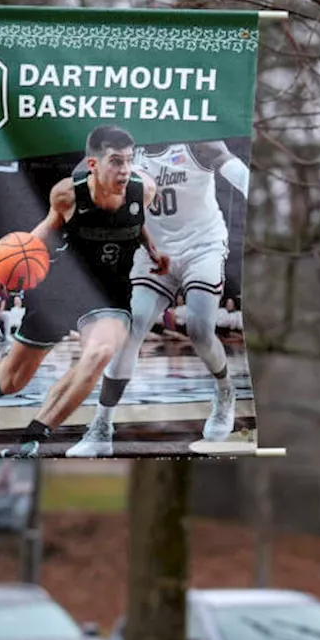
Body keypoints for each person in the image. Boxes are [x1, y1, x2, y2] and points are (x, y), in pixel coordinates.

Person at [0, 124, 164, 457]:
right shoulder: (67, 195)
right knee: (10, 383)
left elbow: (136, 223)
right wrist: (4, 265)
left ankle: (34, 436)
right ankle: (2, 374)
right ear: (93, 164)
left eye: (129, 160)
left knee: (98, 354)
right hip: (63, 290)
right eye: (115, 161)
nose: (125, 169)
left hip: (109, 295)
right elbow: (44, 230)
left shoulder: (145, 190)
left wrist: (152, 248)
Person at [67, 139, 250, 457]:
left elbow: (226, 159)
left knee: (199, 330)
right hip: (154, 251)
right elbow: (82, 171)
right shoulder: (125, 148)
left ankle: (224, 390)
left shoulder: (195, 141)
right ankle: (101, 429)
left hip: (201, 246)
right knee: (131, 328)